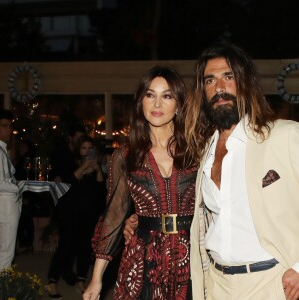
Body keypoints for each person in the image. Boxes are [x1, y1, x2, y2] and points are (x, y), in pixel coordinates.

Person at [183, 43, 299, 300]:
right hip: (216, 284)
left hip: (272, 283)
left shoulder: (284, 135)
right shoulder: (206, 152)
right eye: (210, 80)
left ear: (245, 82)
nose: (219, 88)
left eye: (228, 76)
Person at [83, 66, 197, 300]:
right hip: (143, 259)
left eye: (167, 96)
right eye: (150, 95)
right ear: (140, 102)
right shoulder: (125, 156)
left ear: (178, 104)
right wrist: (96, 278)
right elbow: (113, 217)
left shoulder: (198, 150)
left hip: (193, 255)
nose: (157, 104)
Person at [47, 136, 106, 298]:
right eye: (84, 148)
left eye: (90, 148)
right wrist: (83, 167)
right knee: (65, 247)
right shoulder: (70, 164)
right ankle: (52, 282)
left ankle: (81, 280)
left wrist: (98, 171)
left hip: (90, 213)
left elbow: (101, 189)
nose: (87, 151)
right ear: (79, 150)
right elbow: (68, 184)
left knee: (85, 249)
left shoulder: (97, 166)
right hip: (71, 212)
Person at [0, 109, 21, 272]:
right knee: (6, 252)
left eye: (10, 126)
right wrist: (21, 185)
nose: (9, 130)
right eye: (5, 126)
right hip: (5, 205)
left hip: (7, 204)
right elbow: (0, 183)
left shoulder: (3, 150)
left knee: (5, 251)